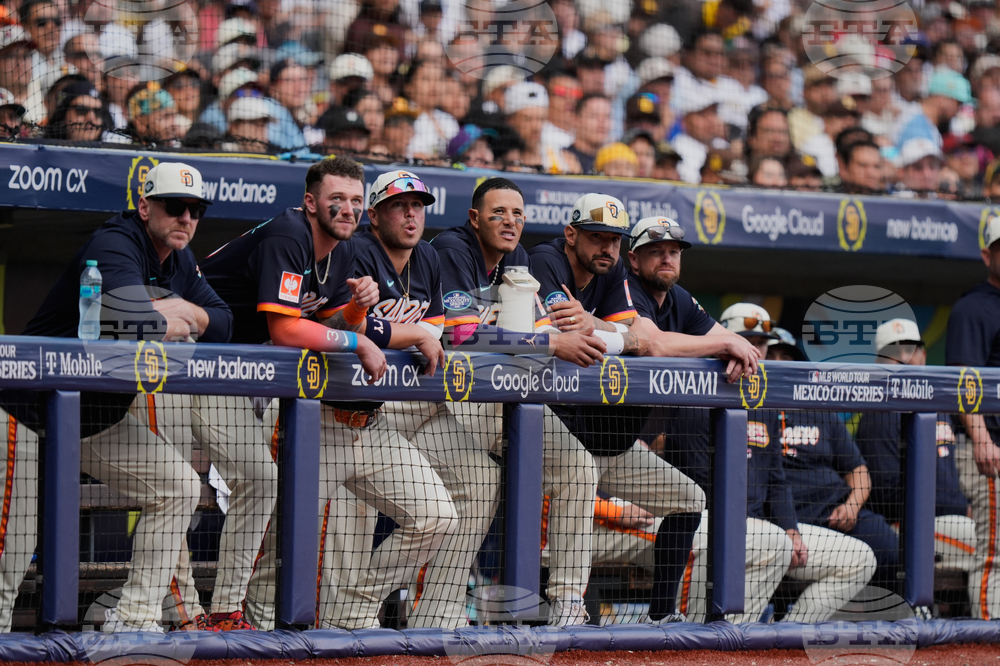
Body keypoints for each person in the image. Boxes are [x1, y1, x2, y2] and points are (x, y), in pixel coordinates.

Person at [0, 163, 232, 633]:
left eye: (196, 210)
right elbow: (132, 320)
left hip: (95, 417)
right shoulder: (115, 242)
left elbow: (224, 323)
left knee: (179, 488)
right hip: (27, 408)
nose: (186, 218)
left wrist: (182, 310)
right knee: (11, 551)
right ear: (145, 207)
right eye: (175, 206)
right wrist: (165, 315)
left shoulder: (180, 258)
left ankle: (133, 618)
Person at [197, 156, 394, 631]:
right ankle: (214, 611)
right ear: (310, 202)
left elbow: (326, 324)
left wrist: (356, 311)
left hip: (240, 371)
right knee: (201, 488)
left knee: (236, 484)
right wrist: (359, 341)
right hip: (194, 362)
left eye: (355, 200)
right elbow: (285, 331)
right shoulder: (289, 235)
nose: (348, 209)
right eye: (336, 199)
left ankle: (219, 610)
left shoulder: (343, 249)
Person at [431, 178, 610, 625]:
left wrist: (563, 332)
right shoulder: (454, 249)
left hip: (504, 395)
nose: (509, 222)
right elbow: (461, 336)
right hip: (445, 396)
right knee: (474, 485)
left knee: (578, 468)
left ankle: (567, 601)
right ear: (475, 219)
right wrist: (548, 342)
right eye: (498, 213)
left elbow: (541, 326)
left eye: (517, 214)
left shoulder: (518, 258)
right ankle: (437, 607)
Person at [529, 195, 706, 625]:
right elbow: (562, 329)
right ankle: (557, 609)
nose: (606, 247)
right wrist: (612, 333)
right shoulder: (546, 260)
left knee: (689, 499)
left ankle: (661, 616)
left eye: (614, 239)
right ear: (571, 235)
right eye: (596, 237)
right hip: (548, 429)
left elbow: (639, 337)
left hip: (609, 445)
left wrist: (598, 325)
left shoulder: (611, 274)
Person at [317, 169, 459, 631]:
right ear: (374, 216)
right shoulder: (355, 250)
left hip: (372, 422)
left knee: (437, 516)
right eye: (399, 206)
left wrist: (409, 334)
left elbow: (434, 333)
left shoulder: (428, 257)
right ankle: (261, 639)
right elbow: (344, 324)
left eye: (418, 206)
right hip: (318, 419)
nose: (411, 215)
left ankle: (353, 612)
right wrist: (410, 334)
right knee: (293, 547)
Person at [755, 326, 901, 597]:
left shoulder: (818, 410)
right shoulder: (751, 409)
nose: (777, 363)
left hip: (835, 511)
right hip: (788, 517)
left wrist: (852, 506)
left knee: (887, 544)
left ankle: (869, 616)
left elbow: (858, 470)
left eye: (786, 358)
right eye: (770, 355)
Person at [854, 319, 976, 581]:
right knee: (986, 543)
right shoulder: (878, 416)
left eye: (911, 349)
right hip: (906, 525)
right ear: (879, 363)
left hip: (952, 519)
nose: (905, 358)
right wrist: (959, 508)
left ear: (923, 355)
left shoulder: (939, 406)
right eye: (894, 352)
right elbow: (888, 494)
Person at [945, 215, 1000, 619]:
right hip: (991, 450)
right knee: (995, 555)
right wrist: (982, 439)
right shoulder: (973, 308)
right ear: (986, 255)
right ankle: (990, 639)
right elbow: (964, 383)